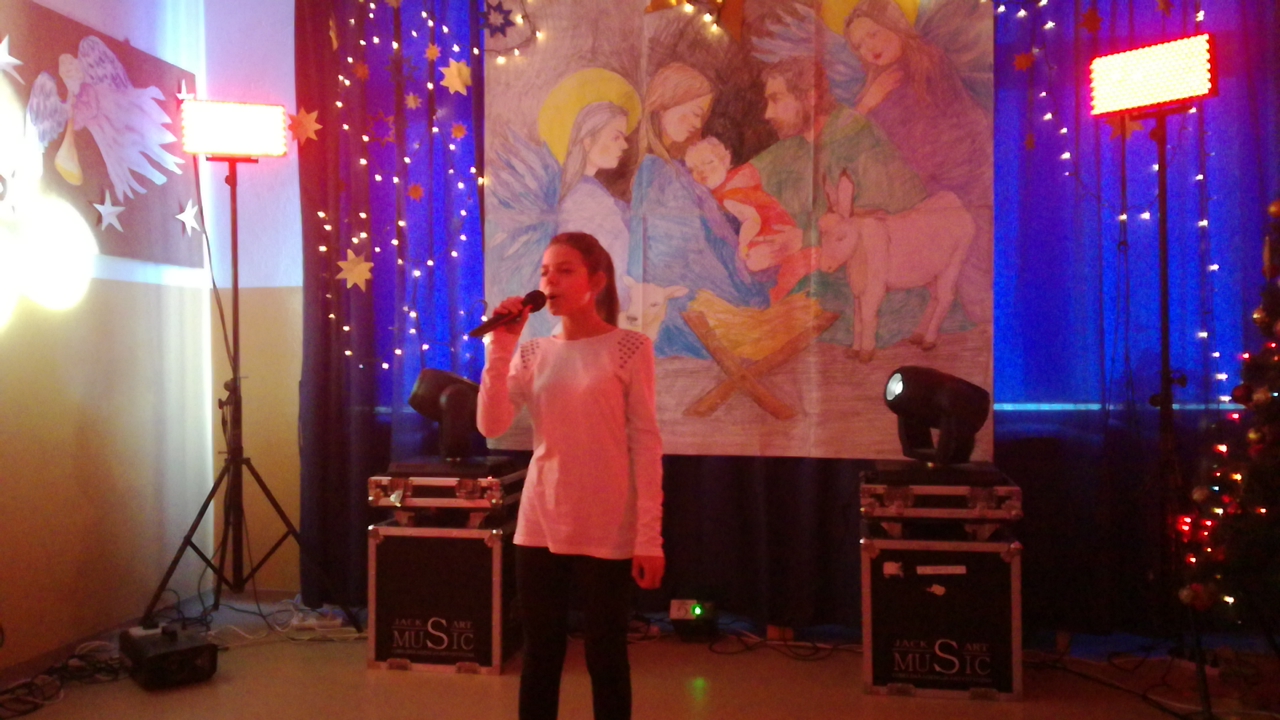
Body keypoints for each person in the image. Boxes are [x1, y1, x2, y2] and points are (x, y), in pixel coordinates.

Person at [477, 232, 665, 720]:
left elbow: (646, 443)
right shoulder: (532, 352)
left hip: (607, 520)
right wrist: (500, 348)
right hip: (541, 519)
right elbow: (491, 425)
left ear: (595, 281)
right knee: (541, 653)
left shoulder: (628, 347)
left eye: (564, 271)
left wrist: (649, 537)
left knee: (605, 653)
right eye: (544, 272)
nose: (550, 281)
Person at [842, 0, 994, 323]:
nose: (869, 47)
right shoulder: (876, 83)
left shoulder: (927, 60)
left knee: (976, 273)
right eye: (859, 45)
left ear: (894, 26)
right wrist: (867, 103)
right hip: (932, 187)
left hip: (972, 173)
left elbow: (953, 125)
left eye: (873, 34)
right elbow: (848, 139)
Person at [628, 62, 770, 359]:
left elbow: (712, 232)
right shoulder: (656, 173)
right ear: (664, 105)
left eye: (701, 116)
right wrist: (735, 298)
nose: (696, 123)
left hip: (712, 290)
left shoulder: (680, 168)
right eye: (692, 112)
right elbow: (682, 254)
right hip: (690, 304)